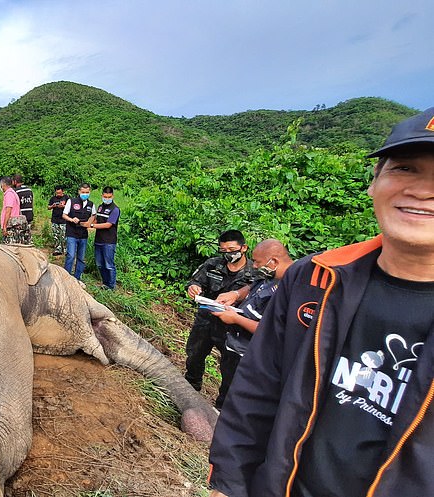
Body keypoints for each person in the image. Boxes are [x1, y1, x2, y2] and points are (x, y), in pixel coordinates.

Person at [208, 108, 434, 497]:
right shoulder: (314, 278)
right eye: (406, 168)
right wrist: (228, 484)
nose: (422, 190)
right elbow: (258, 390)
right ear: (374, 182)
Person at [210, 239, 294, 407]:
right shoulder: (271, 274)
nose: (254, 266)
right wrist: (235, 294)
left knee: (239, 402)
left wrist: (235, 319)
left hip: (252, 357)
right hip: (235, 347)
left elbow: (272, 331)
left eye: (257, 262)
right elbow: (254, 287)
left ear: (274, 261)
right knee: (226, 393)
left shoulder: (294, 287)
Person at [184, 230, 255, 401]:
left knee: (230, 368)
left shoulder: (255, 272)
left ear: (243, 248)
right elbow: (194, 282)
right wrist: (193, 288)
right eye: (223, 251)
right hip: (205, 322)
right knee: (194, 356)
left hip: (233, 328)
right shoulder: (212, 264)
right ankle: (189, 392)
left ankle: (222, 405)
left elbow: (260, 294)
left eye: (232, 250)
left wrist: (237, 295)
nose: (228, 254)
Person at [62, 183, 96, 280]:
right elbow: (64, 215)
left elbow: (94, 215)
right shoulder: (71, 201)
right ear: (79, 192)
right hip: (72, 233)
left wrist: (89, 222)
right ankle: (66, 277)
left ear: (89, 192)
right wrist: (72, 219)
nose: (85, 194)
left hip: (83, 235)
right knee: (71, 256)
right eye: (83, 192)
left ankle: (77, 278)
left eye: (87, 192)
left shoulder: (91, 204)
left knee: (81, 258)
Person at [91, 186, 121, 289]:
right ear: (102, 195)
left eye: (109, 197)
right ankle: (105, 283)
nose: (107, 198)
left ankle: (111, 286)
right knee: (100, 264)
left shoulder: (115, 209)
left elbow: (108, 225)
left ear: (112, 196)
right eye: (105, 196)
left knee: (109, 265)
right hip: (98, 240)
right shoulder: (100, 207)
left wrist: (92, 226)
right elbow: (96, 220)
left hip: (109, 242)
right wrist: (89, 223)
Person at [0, 176, 30, 244]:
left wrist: (4, 226)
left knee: (9, 245)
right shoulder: (14, 193)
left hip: (11, 224)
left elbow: (8, 210)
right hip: (16, 223)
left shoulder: (9, 194)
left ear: (3, 184)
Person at [47, 185, 70, 256]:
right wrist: (52, 206)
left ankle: (66, 250)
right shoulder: (53, 198)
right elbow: (48, 207)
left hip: (64, 220)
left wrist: (64, 206)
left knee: (64, 236)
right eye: (57, 193)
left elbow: (70, 207)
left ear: (63, 191)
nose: (58, 194)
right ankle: (58, 249)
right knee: (56, 235)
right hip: (55, 219)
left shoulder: (67, 198)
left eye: (59, 193)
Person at [12, 174, 34, 243]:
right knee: (28, 234)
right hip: (29, 215)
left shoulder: (16, 191)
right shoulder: (29, 190)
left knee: (19, 236)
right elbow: (32, 202)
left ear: (15, 181)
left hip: (20, 217)